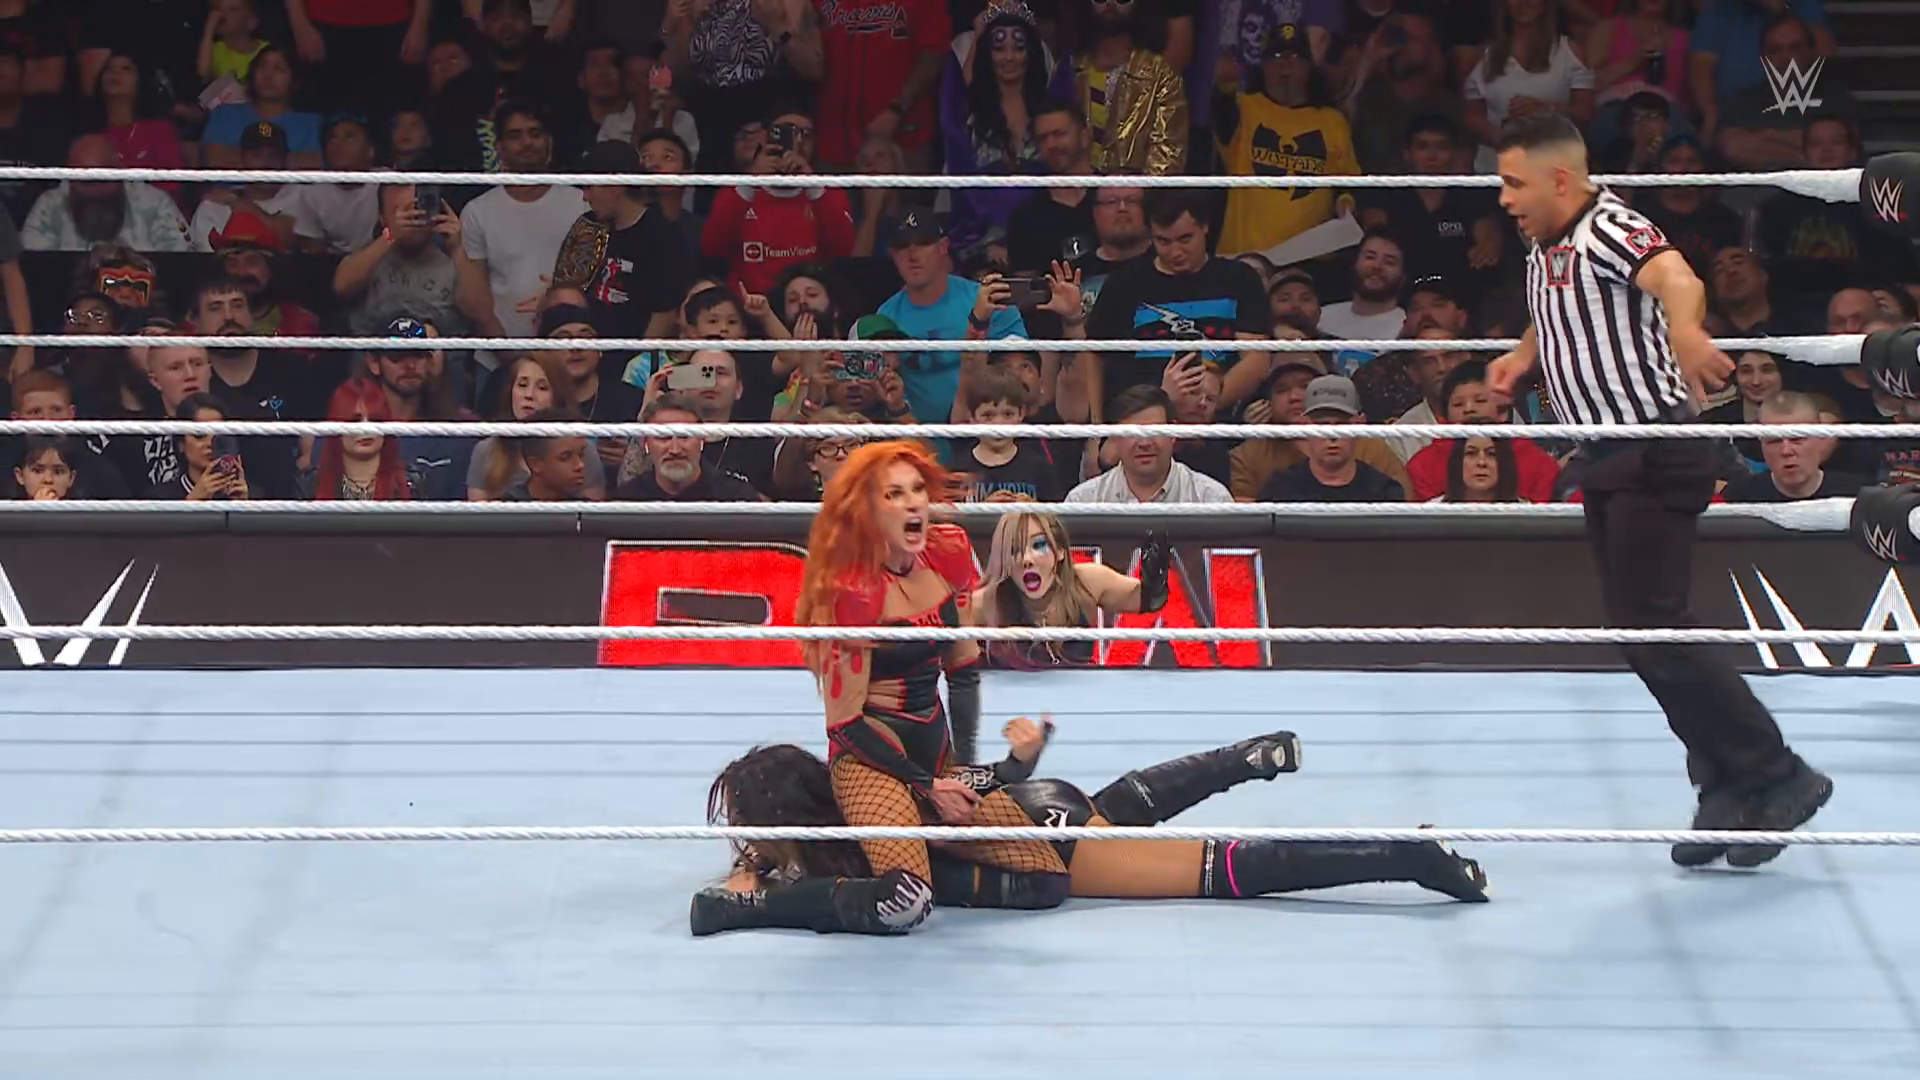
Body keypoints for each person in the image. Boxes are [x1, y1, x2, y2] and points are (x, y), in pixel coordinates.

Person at [1487, 112, 1831, 869]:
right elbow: (1561, 313)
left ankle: (1778, 772)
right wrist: (1521, 356)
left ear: (1558, 179)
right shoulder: (1544, 241)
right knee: (1640, 632)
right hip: (1608, 454)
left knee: (1658, 624)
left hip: (1656, 447)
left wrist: (1688, 332)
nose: (1504, 198)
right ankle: (1725, 786)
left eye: (1513, 183)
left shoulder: (1612, 226)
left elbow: (1677, 278)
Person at [689, 728, 1489, 937]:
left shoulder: (856, 847)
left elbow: (730, 901)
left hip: (1046, 843)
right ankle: (1237, 759)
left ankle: (1402, 855)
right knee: (1114, 819)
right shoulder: (862, 800)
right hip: (1040, 807)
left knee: (1213, 872)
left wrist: (749, 903)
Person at [969, 510, 1169, 669]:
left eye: (1038, 545)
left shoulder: (1086, 582)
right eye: (1014, 550)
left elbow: (1149, 600)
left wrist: (1155, 578)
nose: (1027, 560)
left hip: (1078, 698)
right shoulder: (986, 603)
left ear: (1060, 551)